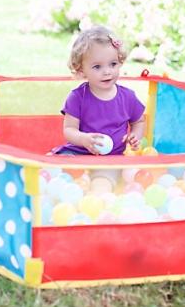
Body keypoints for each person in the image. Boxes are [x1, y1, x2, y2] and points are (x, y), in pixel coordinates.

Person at [50, 25, 146, 195]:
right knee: (57, 168)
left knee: (103, 184)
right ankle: (71, 192)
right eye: (97, 67)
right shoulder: (77, 97)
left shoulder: (128, 97)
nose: (107, 72)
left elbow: (138, 121)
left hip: (110, 159)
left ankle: (92, 198)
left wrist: (136, 136)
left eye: (113, 64)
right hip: (77, 152)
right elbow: (69, 129)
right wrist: (83, 138)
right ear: (81, 69)